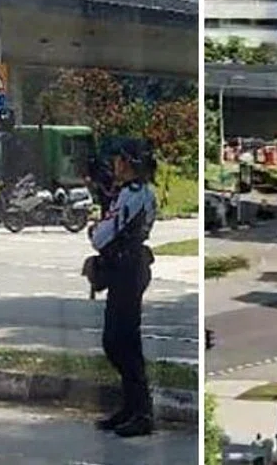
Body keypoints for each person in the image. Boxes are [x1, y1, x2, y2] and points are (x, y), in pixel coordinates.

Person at [87, 139, 157, 438]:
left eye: (118, 160)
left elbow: (101, 236)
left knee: (121, 341)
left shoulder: (133, 195)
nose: (114, 165)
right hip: (127, 269)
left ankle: (141, 413)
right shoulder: (134, 193)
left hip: (127, 270)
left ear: (129, 164)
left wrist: (94, 228)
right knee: (119, 341)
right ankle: (131, 408)